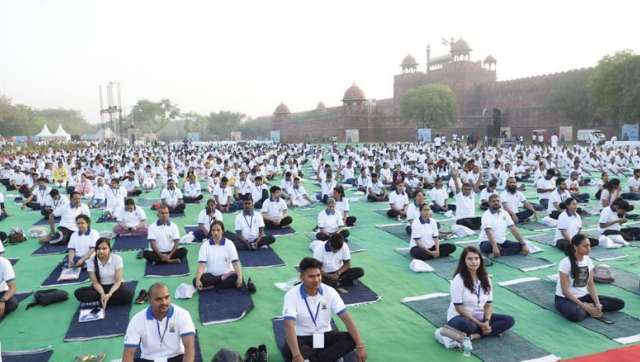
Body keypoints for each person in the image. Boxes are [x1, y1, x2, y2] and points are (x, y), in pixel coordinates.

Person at [282, 257, 367, 362]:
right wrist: (296, 355)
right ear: (302, 277)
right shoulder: (291, 295)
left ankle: (311, 358)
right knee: (288, 349)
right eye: (311, 276)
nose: (316, 280)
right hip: (302, 338)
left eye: (318, 275)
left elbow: (346, 318)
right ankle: (322, 357)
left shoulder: (329, 292)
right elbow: (288, 324)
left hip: (322, 336)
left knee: (352, 339)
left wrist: (360, 346)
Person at [446, 246, 514, 339]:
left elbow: (488, 305)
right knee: (468, 326)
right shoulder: (458, 280)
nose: (474, 262)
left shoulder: (486, 279)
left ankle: (476, 335)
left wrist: (486, 321)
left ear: (480, 260)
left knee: (509, 320)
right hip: (461, 317)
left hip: (480, 317)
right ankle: (488, 331)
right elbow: (459, 308)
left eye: (476, 258)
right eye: (470, 259)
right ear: (464, 261)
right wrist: (479, 324)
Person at [554, 234, 625, 322]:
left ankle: (590, 309)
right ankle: (588, 309)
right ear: (575, 247)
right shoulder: (565, 263)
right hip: (565, 299)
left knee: (619, 303)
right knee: (576, 315)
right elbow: (565, 291)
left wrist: (598, 303)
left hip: (584, 297)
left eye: (589, 245)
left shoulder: (588, 260)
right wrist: (585, 306)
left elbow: (590, 284)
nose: (589, 248)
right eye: (585, 246)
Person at [123, 283, 196, 362]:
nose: (164, 302)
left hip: (176, 357)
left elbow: (189, 347)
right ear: (149, 299)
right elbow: (128, 353)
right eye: (158, 299)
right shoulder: (137, 320)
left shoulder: (182, 314)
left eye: (166, 297)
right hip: (149, 359)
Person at [74, 237, 133, 307]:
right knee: (79, 293)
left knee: (128, 295)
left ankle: (100, 302)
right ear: (95, 250)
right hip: (99, 288)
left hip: (114, 287)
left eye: (104, 248)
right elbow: (95, 283)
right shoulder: (90, 261)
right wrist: (102, 294)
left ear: (109, 249)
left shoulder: (117, 259)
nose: (101, 251)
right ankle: (105, 300)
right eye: (98, 249)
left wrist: (109, 294)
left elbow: (118, 281)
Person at [193, 221, 244, 289]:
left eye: (218, 230)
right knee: (195, 280)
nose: (215, 233)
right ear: (211, 232)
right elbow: (202, 265)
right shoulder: (205, 245)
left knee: (238, 277)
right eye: (213, 230)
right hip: (210, 275)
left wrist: (239, 277)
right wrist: (197, 280)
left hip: (227, 274)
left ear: (222, 231)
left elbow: (235, 262)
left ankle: (213, 285)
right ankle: (220, 281)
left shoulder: (229, 244)